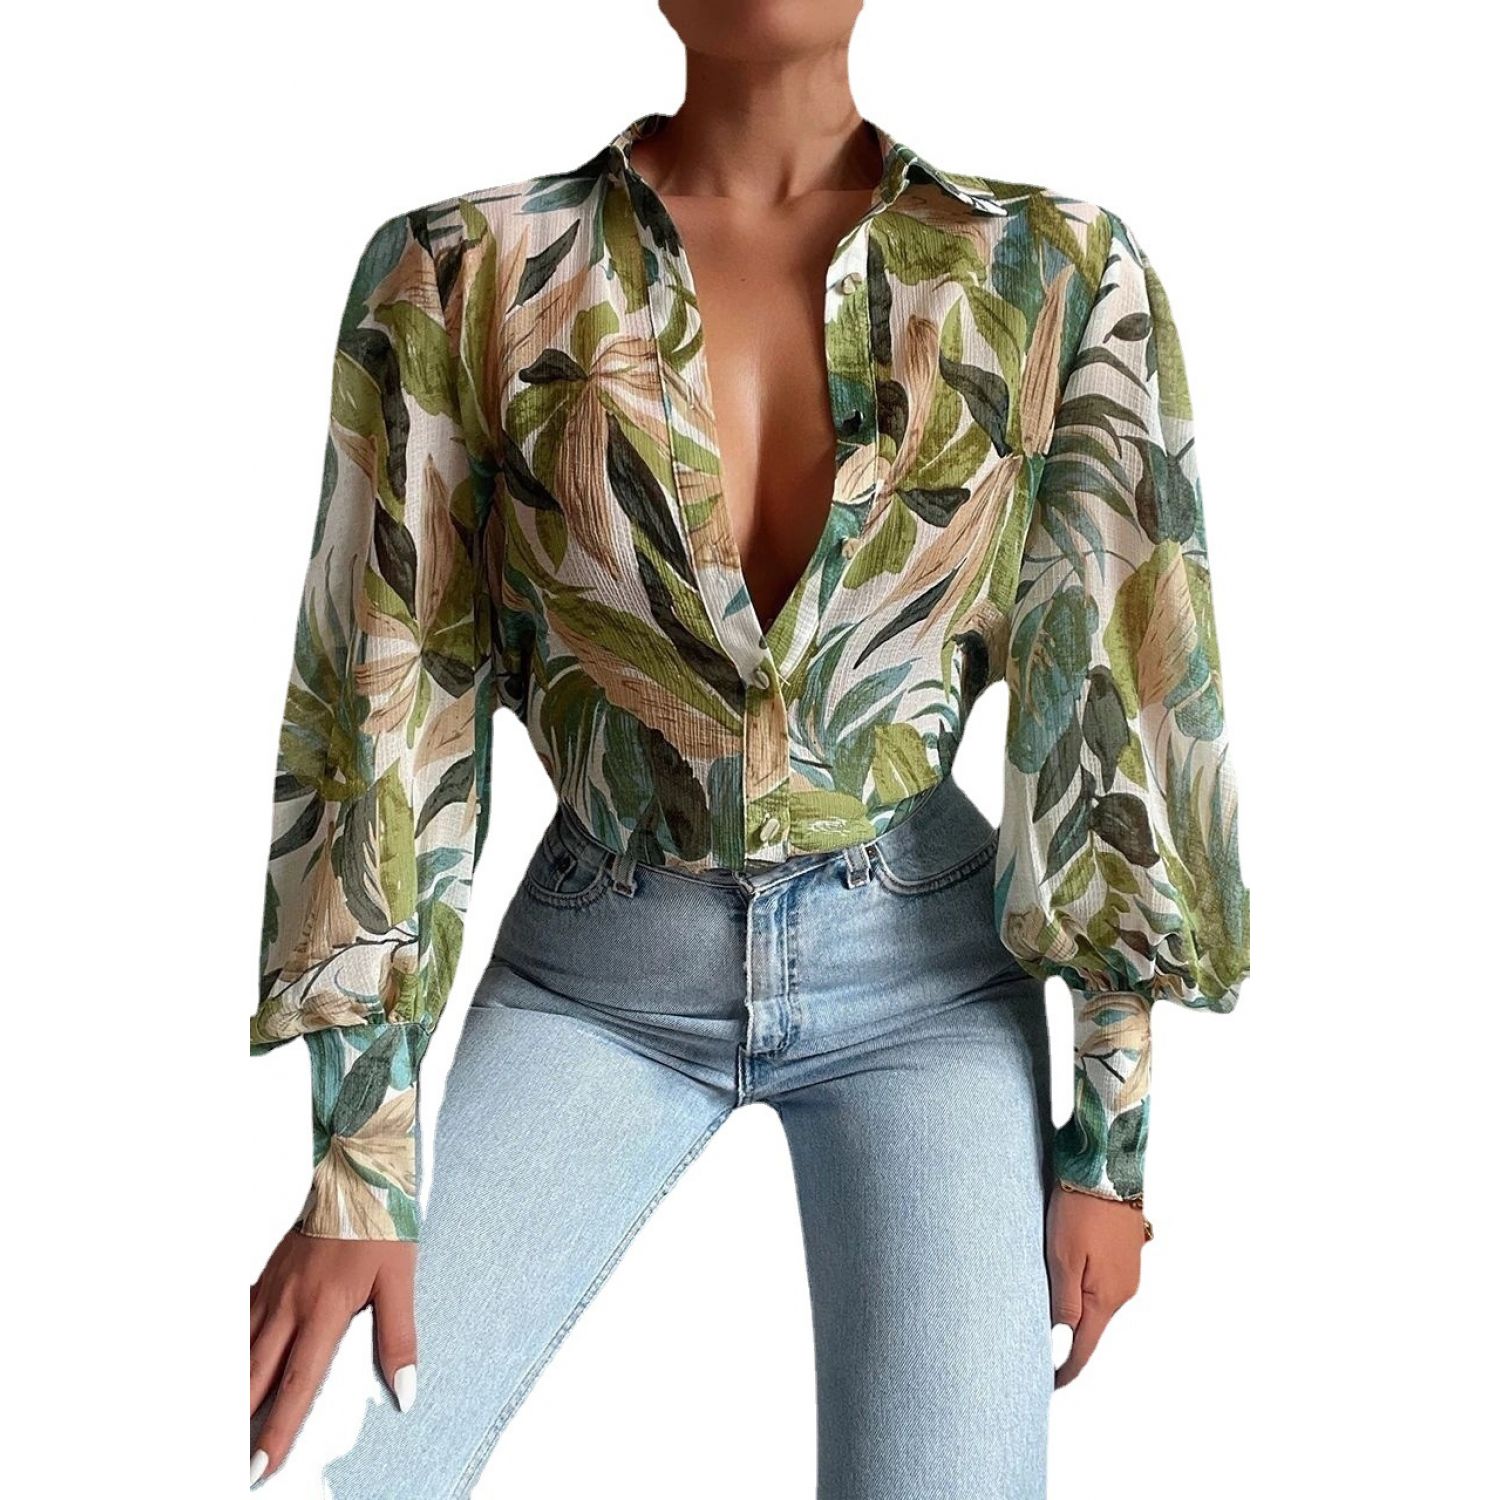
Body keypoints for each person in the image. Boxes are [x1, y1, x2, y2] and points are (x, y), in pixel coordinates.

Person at [247, 3, 1250, 1494]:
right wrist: (359, 1155)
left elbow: (1111, 698)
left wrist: (1109, 1139)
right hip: (599, 972)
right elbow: (382, 714)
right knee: (327, 1462)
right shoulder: (462, 275)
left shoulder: (1052, 274)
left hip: (925, 980)